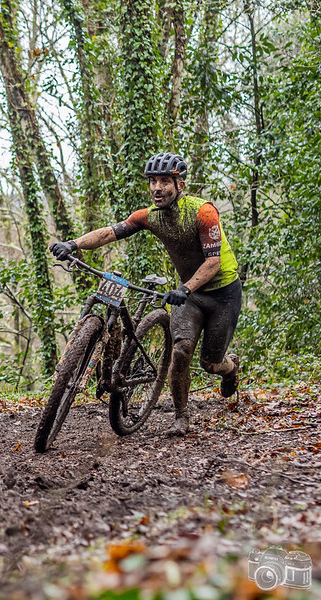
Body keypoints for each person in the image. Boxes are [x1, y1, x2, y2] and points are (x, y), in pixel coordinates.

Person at [49, 152, 241, 436]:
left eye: (165, 181)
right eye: (152, 181)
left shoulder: (204, 212)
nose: (157, 188)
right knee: (180, 351)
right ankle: (181, 417)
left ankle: (230, 367)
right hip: (188, 295)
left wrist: (185, 287)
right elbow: (108, 233)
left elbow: (212, 262)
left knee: (210, 363)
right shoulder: (148, 217)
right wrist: (73, 244)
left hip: (222, 293)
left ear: (180, 186)